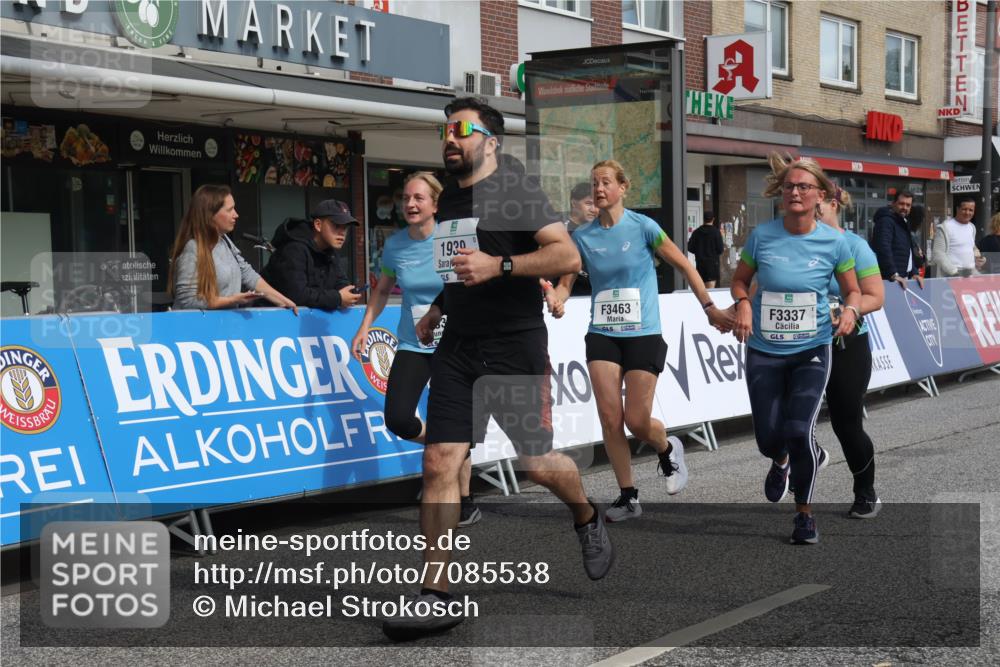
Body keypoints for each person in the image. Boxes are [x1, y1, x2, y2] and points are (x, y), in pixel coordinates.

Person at [382, 97, 611, 642]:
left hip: (513, 345)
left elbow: (567, 258)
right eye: (446, 128)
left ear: (491, 140)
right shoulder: (453, 194)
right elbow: (461, 261)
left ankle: (586, 515)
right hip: (459, 344)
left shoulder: (516, 190)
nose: (450, 137)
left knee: (535, 464)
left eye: (462, 128)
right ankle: (435, 592)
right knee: (440, 460)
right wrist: (440, 304)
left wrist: (502, 265)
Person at [550, 160, 732, 523]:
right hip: (602, 332)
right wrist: (557, 298)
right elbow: (566, 282)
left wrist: (709, 306)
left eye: (605, 183)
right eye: (594, 183)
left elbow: (686, 265)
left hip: (643, 332)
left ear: (623, 187)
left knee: (636, 419)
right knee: (609, 417)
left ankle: (666, 447)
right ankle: (628, 495)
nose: (598, 189)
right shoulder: (582, 237)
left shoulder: (644, 227)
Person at [731, 153, 861, 545]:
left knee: (799, 429)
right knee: (770, 439)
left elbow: (853, 288)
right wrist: (743, 304)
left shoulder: (835, 242)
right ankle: (781, 459)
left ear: (820, 195)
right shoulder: (762, 236)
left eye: (804, 186)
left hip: (813, 349)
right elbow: (739, 281)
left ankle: (804, 515)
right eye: (789, 186)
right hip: (765, 349)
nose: (795, 192)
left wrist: (851, 310)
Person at [350, 172, 481, 528]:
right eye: (406, 198)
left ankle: (465, 500)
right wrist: (365, 326)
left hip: (454, 343)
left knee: (450, 420)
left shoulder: (453, 238)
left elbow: (474, 284)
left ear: (435, 204)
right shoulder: (394, 246)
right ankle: (451, 445)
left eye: (419, 198)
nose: (410, 204)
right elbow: (381, 291)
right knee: (398, 417)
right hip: (413, 342)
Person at [817, 187, 885, 519]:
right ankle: (809, 455)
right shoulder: (794, 244)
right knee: (786, 416)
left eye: (818, 206)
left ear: (833, 204)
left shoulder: (856, 246)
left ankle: (865, 491)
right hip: (801, 344)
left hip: (847, 344)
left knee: (846, 424)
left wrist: (850, 311)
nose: (811, 212)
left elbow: (875, 295)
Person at [170, 184, 296, 312]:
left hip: (224, 326)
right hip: (198, 329)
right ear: (210, 215)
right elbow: (187, 299)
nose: (236, 214)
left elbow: (248, 274)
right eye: (230, 210)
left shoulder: (225, 240)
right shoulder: (192, 247)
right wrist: (232, 300)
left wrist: (282, 300)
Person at [261, 199, 363, 309]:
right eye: (336, 225)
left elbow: (340, 282)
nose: (342, 232)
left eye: (345, 227)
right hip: (267, 320)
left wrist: (350, 293)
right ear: (318, 225)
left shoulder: (330, 252)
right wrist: (338, 298)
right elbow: (296, 295)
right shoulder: (293, 249)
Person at [870, 190, 924, 290]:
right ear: (893, 203)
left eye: (908, 205)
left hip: (902, 279)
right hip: (890, 281)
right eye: (901, 204)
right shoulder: (886, 221)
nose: (905, 208)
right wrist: (893, 274)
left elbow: (909, 252)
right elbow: (883, 248)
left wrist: (914, 273)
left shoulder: (903, 222)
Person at [933, 198, 987, 277]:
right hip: (951, 276)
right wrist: (954, 273)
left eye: (971, 210)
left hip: (970, 275)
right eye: (964, 209)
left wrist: (979, 258)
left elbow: (972, 247)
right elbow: (938, 254)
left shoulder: (972, 227)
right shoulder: (945, 227)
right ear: (957, 209)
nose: (967, 213)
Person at [564, 181, 598, 296]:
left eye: (596, 204)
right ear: (574, 203)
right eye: (588, 203)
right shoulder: (560, 230)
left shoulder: (600, 229)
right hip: (568, 296)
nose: (594, 209)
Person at [687, 211, 725, 288]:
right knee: (710, 293)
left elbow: (690, 247)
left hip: (700, 265)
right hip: (712, 266)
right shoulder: (716, 232)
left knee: (701, 291)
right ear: (713, 219)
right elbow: (720, 249)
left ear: (703, 219)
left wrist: (698, 251)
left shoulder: (696, 232)